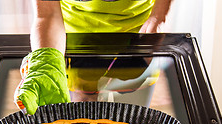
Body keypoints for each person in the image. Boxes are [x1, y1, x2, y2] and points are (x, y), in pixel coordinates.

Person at [15, 0, 173, 115]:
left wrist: (158, 17)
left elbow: (157, 17)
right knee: (79, 119)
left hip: (138, 33)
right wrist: (47, 62)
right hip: (72, 37)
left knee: (132, 120)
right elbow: (47, 14)